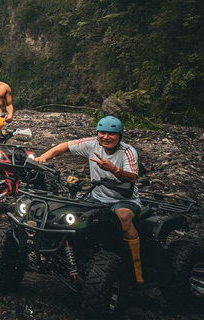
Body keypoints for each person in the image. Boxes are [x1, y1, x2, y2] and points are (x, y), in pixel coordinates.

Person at [36, 115, 143, 284]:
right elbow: (64, 146)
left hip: (124, 199)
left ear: (120, 136)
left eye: (111, 134)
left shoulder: (127, 151)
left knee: (123, 218)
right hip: (96, 197)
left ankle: (136, 268)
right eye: (102, 133)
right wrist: (43, 157)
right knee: (69, 218)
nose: (106, 137)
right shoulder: (92, 144)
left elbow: (132, 177)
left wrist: (114, 169)